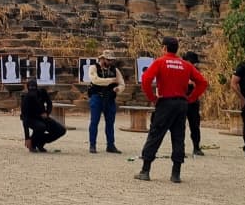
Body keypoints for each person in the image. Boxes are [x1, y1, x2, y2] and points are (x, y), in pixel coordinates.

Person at [136, 36, 207, 183]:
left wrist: (153, 98)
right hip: (181, 104)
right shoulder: (186, 65)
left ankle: (145, 170)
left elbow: (146, 79)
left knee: (155, 135)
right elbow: (202, 82)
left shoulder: (160, 62)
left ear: (164, 48)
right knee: (178, 137)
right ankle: (176, 174)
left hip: (165, 102)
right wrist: (191, 98)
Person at [87, 50, 125, 153]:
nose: (110, 62)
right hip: (97, 97)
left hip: (109, 98)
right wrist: (111, 81)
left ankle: (110, 145)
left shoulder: (115, 70)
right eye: (108, 60)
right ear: (102, 59)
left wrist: (118, 89)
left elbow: (122, 83)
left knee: (110, 123)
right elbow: (95, 80)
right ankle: (92, 145)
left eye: (111, 60)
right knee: (94, 122)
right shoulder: (93, 67)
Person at [20, 79, 66, 151]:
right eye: (31, 88)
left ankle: (40, 142)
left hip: (42, 117)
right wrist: (27, 138)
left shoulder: (42, 92)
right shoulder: (25, 99)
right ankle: (33, 143)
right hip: (30, 119)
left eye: (34, 88)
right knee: (41, 127)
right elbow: (25, 119)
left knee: (61, 130)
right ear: (27, 88)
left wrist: (47, 113)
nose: (33, 91)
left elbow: (49, 103)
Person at [182, 51, 205, 155]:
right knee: (179, 126)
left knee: (195, 125)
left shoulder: (195, 71)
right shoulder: (180, 69)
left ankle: (196, 147)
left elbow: (201, 83)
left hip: (193, 101)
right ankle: (180, 148)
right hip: (181, 100)